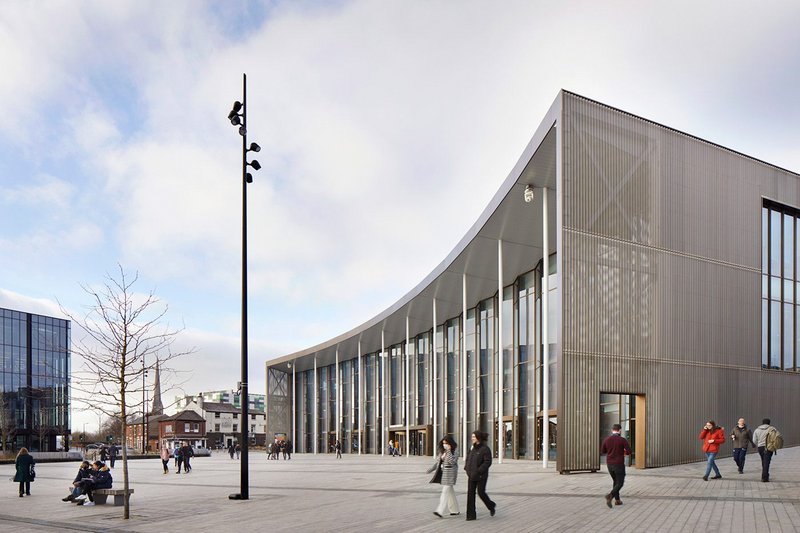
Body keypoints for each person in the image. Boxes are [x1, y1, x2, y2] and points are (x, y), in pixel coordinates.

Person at [464, 431, 496, 521]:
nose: (472, 438)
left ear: (479, 438)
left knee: (481, 492)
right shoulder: (472, 448)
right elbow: (468, 459)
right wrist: (467, 469)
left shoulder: (485, 449)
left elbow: (487, 462)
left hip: (481, 476)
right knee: (470, 494)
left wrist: (479, 471)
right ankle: (471, 515)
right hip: (471, 475)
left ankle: (491, 505)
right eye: (472, 436)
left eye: (474, 436)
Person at [600, 423, 632, 508]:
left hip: (609, 464)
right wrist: (623, 452)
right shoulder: (622, 440)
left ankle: (617, 500)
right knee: (620, 483)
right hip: (618, 464)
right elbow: (629, 451)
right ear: (620, 430)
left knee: (615, 481)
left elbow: (603, 451)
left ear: (612, 430)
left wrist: (611, 451)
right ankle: (610, 496)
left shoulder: (607, 439)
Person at [427, 436, 459, 518]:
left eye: (446, 443)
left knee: (445, 492)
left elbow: (452, 462)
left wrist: (448, 451)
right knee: (450, 492)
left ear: (450, 444)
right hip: (444, 474)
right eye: (444, 443)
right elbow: (438, 462)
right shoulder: (442, 452)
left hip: (451, 474)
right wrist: (431, 469)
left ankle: (440, 511)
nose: (445, 445)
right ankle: (455, 510)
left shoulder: (454, 452)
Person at [753, 418, 777, 482]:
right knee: (766, 462)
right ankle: (764, 477)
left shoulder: (757, 430)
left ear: (762, 423)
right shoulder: (772, 429)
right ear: (769, 423)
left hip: (760, 447)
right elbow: (776, 437)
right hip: (769, 447)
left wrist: (759, 443)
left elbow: (754, 441)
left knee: (763, 461)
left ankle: (765, 475)